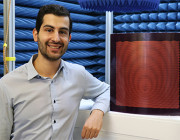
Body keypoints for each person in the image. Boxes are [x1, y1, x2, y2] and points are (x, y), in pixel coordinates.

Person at [0, 4, 110, 140]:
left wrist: (97, 112)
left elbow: (106, 91)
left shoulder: (78, 75)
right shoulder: (7, 84)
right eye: (49, 30)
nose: (56, 38)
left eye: (62, 32)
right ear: (36, 34)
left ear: (69, 38)